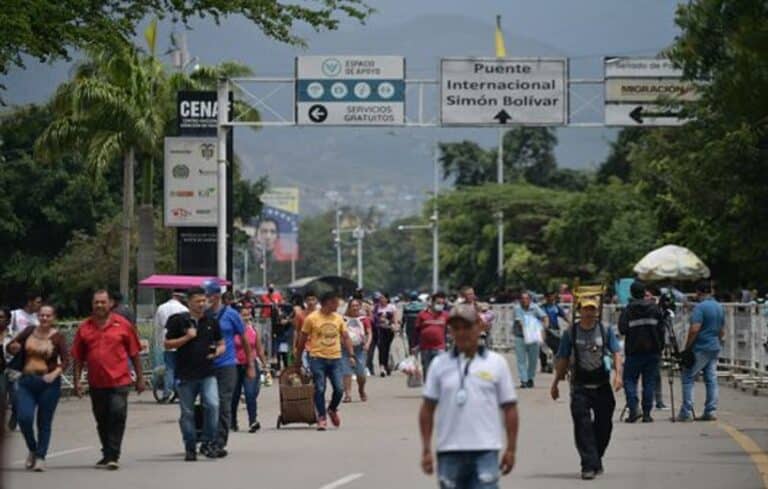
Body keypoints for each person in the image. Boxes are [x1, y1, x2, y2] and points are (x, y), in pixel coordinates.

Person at [419, 304, 519, 489]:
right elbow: (427, 408)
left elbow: (509, 408)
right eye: (456, 328)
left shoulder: (496, 363)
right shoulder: (439, 365)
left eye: (467, 327)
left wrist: (511, 448)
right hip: (449, 451)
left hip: (486, 450)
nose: (462, 333)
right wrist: (426, 448)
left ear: (480, 326)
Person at [71, 290, 145, 470]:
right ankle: (107, 452)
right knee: (102, 418)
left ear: (110, 304)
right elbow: (78, 358)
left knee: (117, 414)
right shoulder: (84, 328)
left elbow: (134, 354)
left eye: (103, 302)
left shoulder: (123, 325)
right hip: (97, 382)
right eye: (96, 302)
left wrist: (140, 378)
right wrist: (77, 382)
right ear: (92, 304)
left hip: (120, 380)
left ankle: (113, 455)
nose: (99, 306)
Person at [551, 299, 623, 480]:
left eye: (592, 309)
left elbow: (616, 352)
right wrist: (555, 383)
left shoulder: (605, 330)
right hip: (580, 386)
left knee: (604, 426)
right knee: (583, 427)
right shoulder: (571, 332)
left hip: (602, 386)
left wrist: (619, 375)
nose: (589, 312)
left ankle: (596, 457)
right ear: (579, 311)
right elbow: (563, 358)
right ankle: (588, 465)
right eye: (586, 309)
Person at [164, 287, 224, 461]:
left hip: (207, 372)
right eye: (198, 301)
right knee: (187, 413)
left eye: (203, 300)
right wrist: (187, 338)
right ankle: (190, 446)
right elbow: (167, 344)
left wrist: (217, 352)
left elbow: (221, 343)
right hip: (186, 374)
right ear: (189, 302)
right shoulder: (178, 321)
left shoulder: (211, 320)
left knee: (212, 405)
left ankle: (208, 442)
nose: (201, 304)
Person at [7, 304, 68, 472]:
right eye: (42, 315)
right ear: (38, 316)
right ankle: (33, 449)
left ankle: (41, 456)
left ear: (53, 318)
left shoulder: (58, 337)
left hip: (48, 384)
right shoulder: (29, 331)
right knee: (24, 417)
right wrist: (13, 347)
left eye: (48, 316)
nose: (44, 318)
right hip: (27, 381)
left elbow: (66, 360)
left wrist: (54, 374)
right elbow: (12, 346)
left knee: (44, 422)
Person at [203, 279, 255, 456]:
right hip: (206, 364)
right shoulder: (202, 315)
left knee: (224, 403)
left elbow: (245, 339)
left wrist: (250, 365)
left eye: (207, 295)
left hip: (227, 364)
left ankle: (219, 442)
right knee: (209, 403)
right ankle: (206, 439)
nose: (205, 299)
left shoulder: (232, 315)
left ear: (216, 296)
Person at [294, 291, 356, 431]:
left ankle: (332, 409)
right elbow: (302, 339)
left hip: (335, 358)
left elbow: (345, 337)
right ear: (328, 302)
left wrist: (351, 355)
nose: (338, 305)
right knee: (320, 388)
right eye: (335, 302)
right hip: (317, 357)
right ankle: (321, 417)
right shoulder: (312, 318)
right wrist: (298, 359)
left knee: (339, 389)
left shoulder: (338, 318)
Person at [619, 280, 666, 423]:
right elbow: (662, 329)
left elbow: (622, 329)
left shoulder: (628, 310)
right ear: (644, 292)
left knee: (629, 380)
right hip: (653, 351)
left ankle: (633, 409)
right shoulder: (655, 308)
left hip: (634, 351)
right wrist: (660, 347)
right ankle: (646, 414)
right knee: (649, 382)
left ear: (632, 293)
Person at [678, 281, 725, 422]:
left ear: (698, 292)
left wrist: (687, 348)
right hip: (714, 346)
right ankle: (710, 411)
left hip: (701, 347)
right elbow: (722, 331)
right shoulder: (719, 307)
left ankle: (686, 412)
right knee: (711, 379)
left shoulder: (700, 308)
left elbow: (694, 329)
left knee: (687, 377)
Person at [7, 292, 42, 431]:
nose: (40, 305)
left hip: (29, 360)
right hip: (13, 359)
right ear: (29, 302)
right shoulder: (15, 315)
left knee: (25, 390)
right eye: (38, 302)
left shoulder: (37, 319)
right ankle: (16, 412)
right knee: (14, 392)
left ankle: (20, 416)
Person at [231, 303, 268, 433]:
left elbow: (259, 348)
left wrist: (265, 364)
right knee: (234, 395)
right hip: (234, 366)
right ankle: (232, 421)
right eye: (243, 315)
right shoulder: (232, 330)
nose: (246, 317)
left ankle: (253, 420)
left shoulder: (252, 329)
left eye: (248, 315)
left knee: (250, 393)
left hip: (250, 365)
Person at [153, 290, 188, 402]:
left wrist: (158, 342)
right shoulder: (184, 309)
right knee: (180, 368)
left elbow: (157, 326)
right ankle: (180, 391)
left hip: (167, 341)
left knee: (170, 368)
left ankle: (167, 392)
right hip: (181, 342)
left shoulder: (161, 308)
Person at [513, 292, 548, 388]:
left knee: (533, 359)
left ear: (530, 300)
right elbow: (520, 322)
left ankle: (530, 378)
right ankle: (523, 380)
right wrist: (532, 328)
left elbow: (544, 317)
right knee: (521, 360)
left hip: (533, 337)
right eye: (522, 298)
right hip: (520, 336)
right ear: (520, 300)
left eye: (526, 298)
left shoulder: (535, 307)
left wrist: (544, 327)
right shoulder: (517, 308)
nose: (524, 300)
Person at [341, 299, 371, 403]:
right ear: (349, 307)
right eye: (352, 306)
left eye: (357, 306)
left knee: (361, 373)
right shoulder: (343, 319)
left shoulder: (364, 319)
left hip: (360, 349)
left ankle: (361, 390)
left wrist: (367, 344)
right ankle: (348, 395)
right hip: (345, 349)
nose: (355, 308)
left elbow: (369, 333)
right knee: (346, 372)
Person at [414, 293, 450, 381]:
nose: (440, 305)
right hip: (425, 348)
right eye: (438, 303)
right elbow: (416, 331)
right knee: (427, 369)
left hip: (440, 347)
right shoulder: (422, 314)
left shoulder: (446, 315)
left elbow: (451, 329)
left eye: (442, 303)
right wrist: (415, 345)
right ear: (432, 303)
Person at [540, 292, 569, 373]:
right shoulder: (542, 308)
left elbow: (564, 316)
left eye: (553, 297)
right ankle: (544, 365)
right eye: (549, 297)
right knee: (543, 349)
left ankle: (556, 365)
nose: (551, 299)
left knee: (557, 348)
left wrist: (570, 323)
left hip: (555, 330)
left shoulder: (556, 307)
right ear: (546, 298)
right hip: (545, 330)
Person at [372, 293, 399, 377]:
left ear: (387, 299)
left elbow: (395, 318)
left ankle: (387, 366)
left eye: (383, 298)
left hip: (389, 330)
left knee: (387, 348)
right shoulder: (377, 308)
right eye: (380, 298)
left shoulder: (392, 307)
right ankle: (382, 367)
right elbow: (373, 318)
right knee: (381, 348)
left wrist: (395, 327)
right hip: (380, 330)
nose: (381, 300)